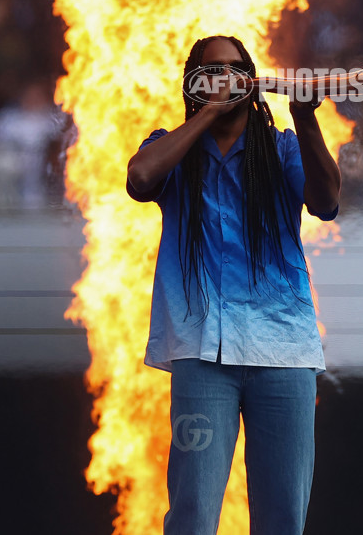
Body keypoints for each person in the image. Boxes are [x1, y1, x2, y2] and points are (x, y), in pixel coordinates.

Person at [126, 35, 341, 535]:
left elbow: (326, 202)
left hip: (283, 354)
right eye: (212, 71)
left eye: (234, 68)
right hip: (202, 357)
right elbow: (139, 180)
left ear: (251, 78)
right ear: (194, 84)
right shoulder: (171, 146)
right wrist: (205, 114)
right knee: (193, 513)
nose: (225, 77)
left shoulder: (283, 147)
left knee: (283, 516)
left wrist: (306, 118)